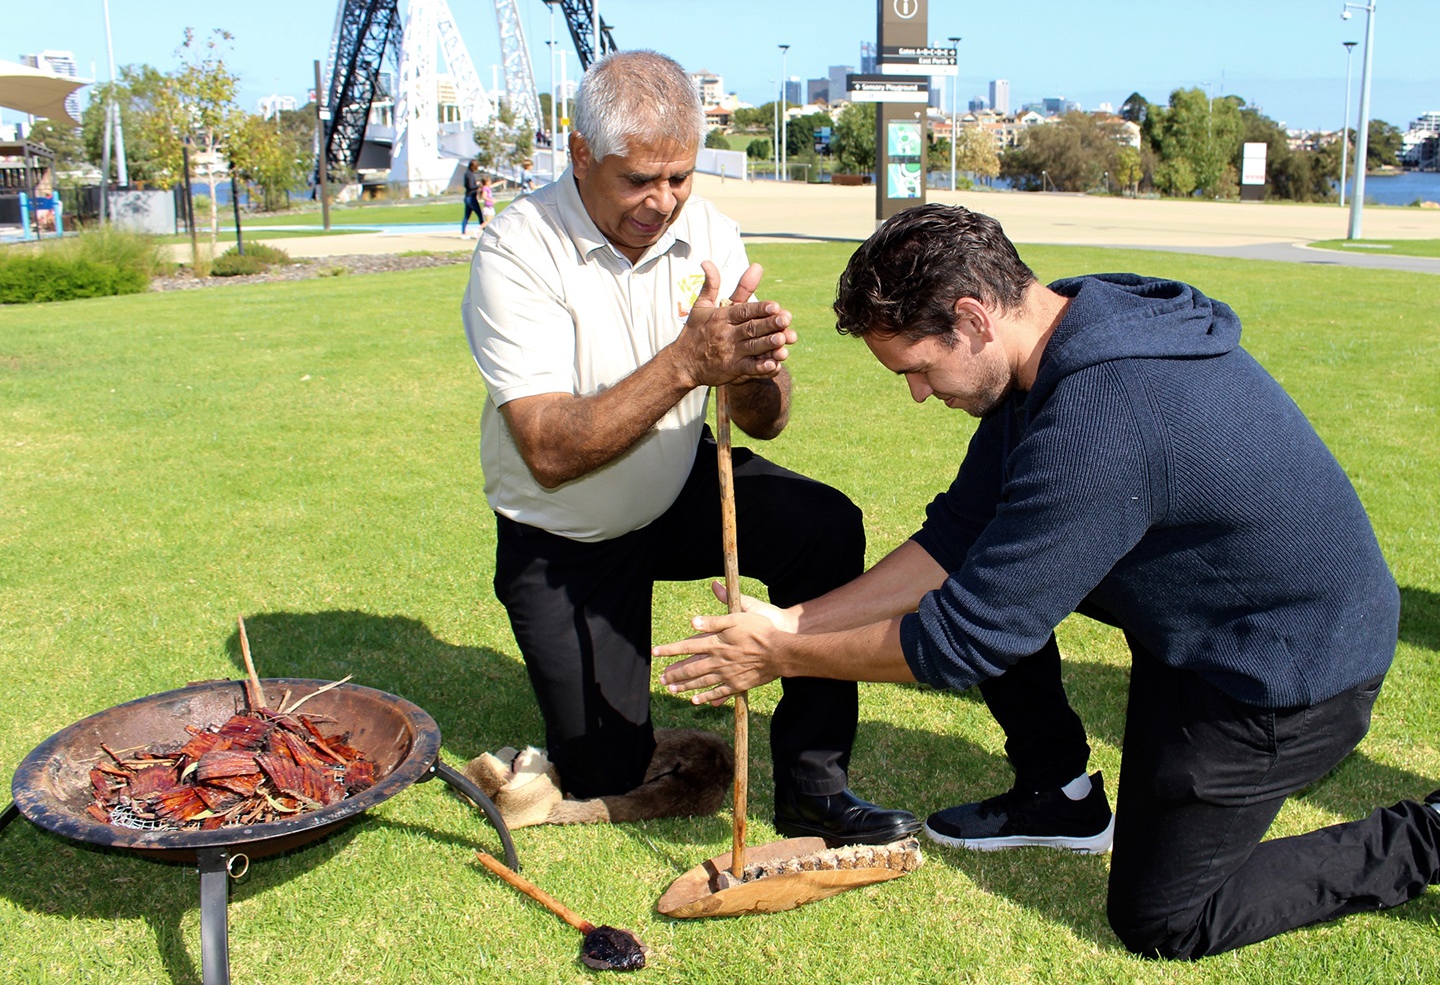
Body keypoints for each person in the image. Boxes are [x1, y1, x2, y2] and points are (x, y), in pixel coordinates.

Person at [656, 203, 1440, 959]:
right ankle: (1058, 793)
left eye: (919, 369)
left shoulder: (1103, 414)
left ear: (972, 318)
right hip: (1205, 612)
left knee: (1165, 918)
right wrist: (793, 622)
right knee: (1001, 565)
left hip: (1286, 664)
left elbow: (963, 641)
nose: (918, 394)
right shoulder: (1065, 331)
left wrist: (782, 659)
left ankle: (1427, 835)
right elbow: (957, 539)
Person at [459, 50, 918, 846]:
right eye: (638, 179)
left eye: (679, 177)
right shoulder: (516, 247)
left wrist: (751, 370)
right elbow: (547, 450)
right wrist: (688, 363)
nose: (662, 202)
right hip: (564, 535)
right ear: (579, 156)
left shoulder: (706, 230)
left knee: (825, 525)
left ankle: (814, 789)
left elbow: (765, 421)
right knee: (607, 770)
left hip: (675, 488)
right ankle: (601, 743)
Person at [461, 160, 482, 235]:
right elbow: (470, 186)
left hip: (468, 197)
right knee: (480, 214)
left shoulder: (467, 174)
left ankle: (463, 232)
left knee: (467, 216)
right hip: (471, 198)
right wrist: (478, 185)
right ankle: (483, 229)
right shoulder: (469, 175)